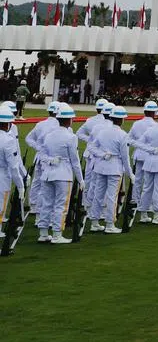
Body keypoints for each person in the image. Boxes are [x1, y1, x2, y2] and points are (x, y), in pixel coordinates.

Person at [34, 105, 83, 244]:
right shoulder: (71, 137)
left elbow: (42, 154)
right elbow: (75, 161)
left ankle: (43, 233)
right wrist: (80, 179)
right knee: (61, 205)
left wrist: (50, 160)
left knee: (46, 204)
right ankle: (57, 234)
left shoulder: (49, 135)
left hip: (48, 173)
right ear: (68, 120)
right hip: (63, 174)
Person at [86, 106, 133, 233]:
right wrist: (130, 173)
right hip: (114, 168)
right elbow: (125, 157)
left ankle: (94, 222)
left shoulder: (103, 132)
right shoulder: (123, 134)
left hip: (101, 166)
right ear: (122, 120)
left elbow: (91, 147)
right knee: (112, 196)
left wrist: (102, 154)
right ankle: (110, 224)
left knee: (98, 195)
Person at [0, 105, 28, 238]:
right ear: (8, 124)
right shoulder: (8, 140)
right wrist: (20, 186)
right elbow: (13, 166)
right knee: (1, 204)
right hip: (3, 175)